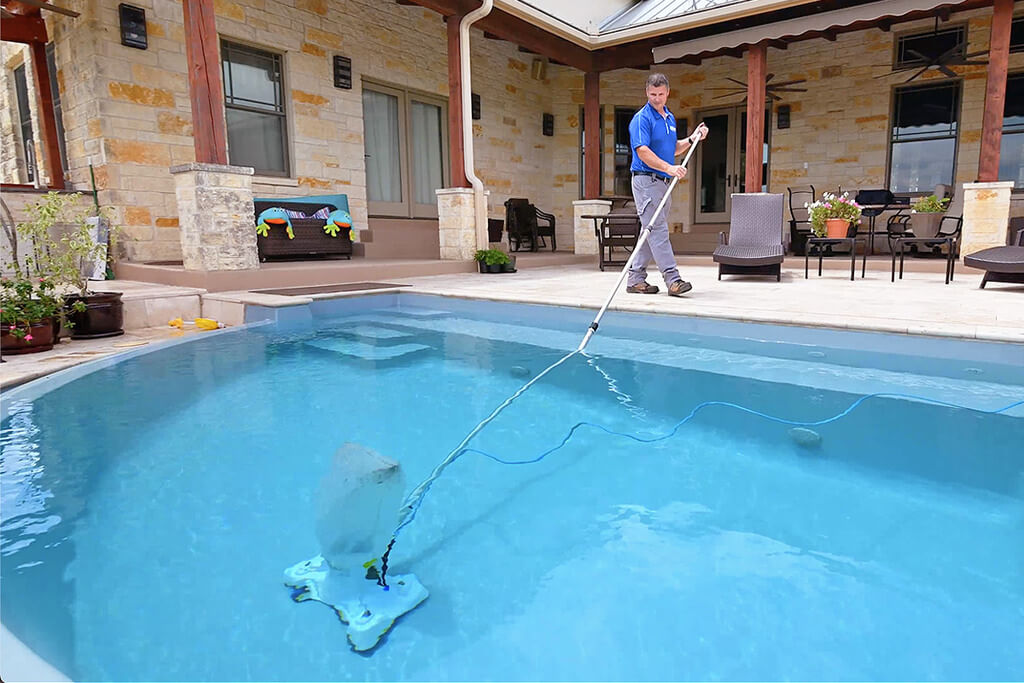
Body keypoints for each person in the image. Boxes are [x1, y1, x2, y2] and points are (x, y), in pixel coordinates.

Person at [626, 73, 709, 296]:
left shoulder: (669, 118)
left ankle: (635, 279)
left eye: (660, 94)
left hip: (662, 182)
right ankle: (672, 279)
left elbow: (672, 149)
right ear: (647, 92)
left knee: (650, 230)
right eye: (652, 94)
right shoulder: (642, 118)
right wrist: (669, 168)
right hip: (646, 180)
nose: (656, 98)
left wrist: (692, 139)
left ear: (667, 92)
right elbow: (642, 151)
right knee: (658, 230)